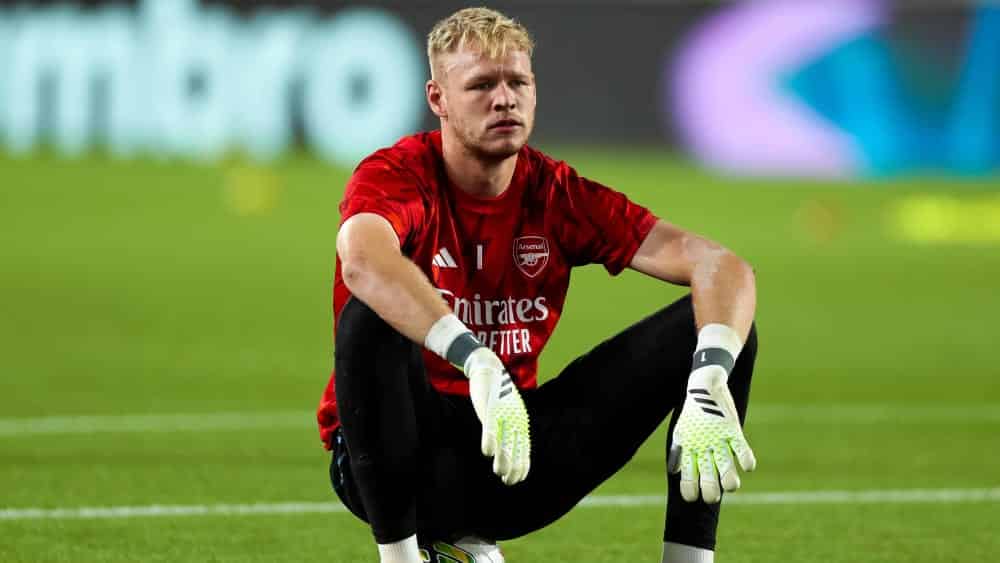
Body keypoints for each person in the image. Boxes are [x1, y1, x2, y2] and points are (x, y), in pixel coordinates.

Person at [317, 7, 759, 563]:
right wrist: (474, 358)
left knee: (720, 326)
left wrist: (709, 375)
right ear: (438, 99)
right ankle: (403, 557)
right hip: (393, 465)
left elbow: (721, 265)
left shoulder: (557, 193)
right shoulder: (397, 175)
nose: (504, 99)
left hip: (509, 453)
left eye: (518, 82)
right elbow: (362, 261)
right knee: (367, 316)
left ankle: (687, 560)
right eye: (481, 85)